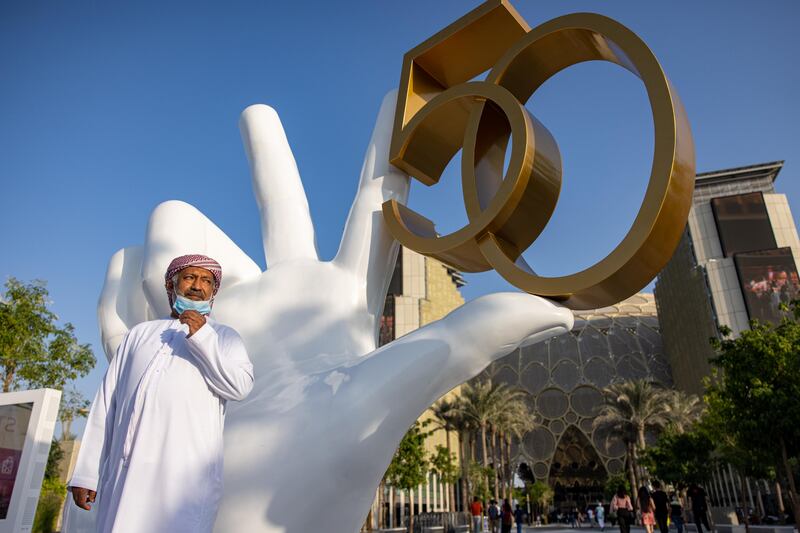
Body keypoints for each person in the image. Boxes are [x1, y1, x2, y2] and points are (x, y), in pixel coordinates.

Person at [68, 254, 254, 533]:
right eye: (190, 277)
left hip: (185, 479)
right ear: (171, 285)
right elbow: (107, 403)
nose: (197, 286)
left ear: (213, 293)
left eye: (206, 281)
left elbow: (239, 387)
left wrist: (201, 337)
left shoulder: (225, 337)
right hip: (126, 472)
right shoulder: (139, 334)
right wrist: (86, 473)